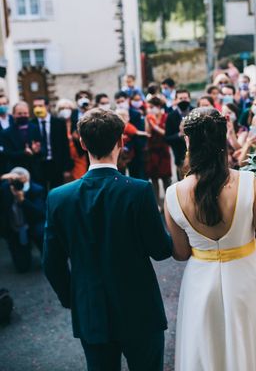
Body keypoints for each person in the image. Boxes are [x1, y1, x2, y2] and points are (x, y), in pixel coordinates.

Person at [43, 108, 173, 371]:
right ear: (121, 142)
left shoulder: (58, 196)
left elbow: (51, 262)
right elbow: (160, 250)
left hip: (91, 307)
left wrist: (72, 297)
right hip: (139, 307)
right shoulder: (138, 190)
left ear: (82, 143)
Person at [163, 107, 256, 370]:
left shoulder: (173, 194)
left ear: (188, 142)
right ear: (223, 141)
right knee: (254, 349)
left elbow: (180, 252)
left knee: (209, 353)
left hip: (201, 283)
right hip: (249, 279)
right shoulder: (247, 182)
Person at [0, 167, 45, 272]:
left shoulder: (36, 189)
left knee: (41, 231)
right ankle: (23, 252)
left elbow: (40, 213)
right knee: (22, 267)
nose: (17, 185)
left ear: (27, 180)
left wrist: (23, 201)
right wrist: (2, 177)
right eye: (14, 181)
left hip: (33, 226)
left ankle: (45, 253)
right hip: (14, 229)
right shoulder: (5, 188)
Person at [31, 97, 72, 190]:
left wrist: (67, 167)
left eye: (40, 106)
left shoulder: (58, 123)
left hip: (55, 163)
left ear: (47, 106)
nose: (37, 108)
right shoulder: (32, 123)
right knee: (42, 191)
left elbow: (65, 146)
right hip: (40, 163)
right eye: (35, 106)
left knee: (57, 190)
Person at [145, 97, 172, 209]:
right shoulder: (149, 117)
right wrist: (148, 122)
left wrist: (155, 126)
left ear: (158, 107)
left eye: (152, 107)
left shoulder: (166, 117)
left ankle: (169, 203)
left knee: (166, 178)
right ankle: (157, 204)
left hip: (163, 149)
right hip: (152, 150)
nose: (150, 109)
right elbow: (148, 133)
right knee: (154, 178)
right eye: (149, 107)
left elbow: (166, 133)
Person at [115, 91, 146, 179]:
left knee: (136, 175)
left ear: (127, 100)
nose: (121, 104)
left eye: (122, 101)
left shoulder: (136, 114)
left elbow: (139, 133)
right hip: (120, 153)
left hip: (135, 150)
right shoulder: (114, 114)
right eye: (118, 102)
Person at [2, 101, 40, 174]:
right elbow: (6, 154)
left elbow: (42, 147)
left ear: (28, 114)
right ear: (13, 115)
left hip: (35, 170)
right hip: (16, 170)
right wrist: (23, 153)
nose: (23, 115)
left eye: (25, 113)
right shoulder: (6, 133)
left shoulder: (35, 128)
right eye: (19, 113)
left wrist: (37, 150)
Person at [56, 99, 88, 181]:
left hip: (79, 155)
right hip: (64, 157)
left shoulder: (77, 122)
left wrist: (78, 138)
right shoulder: (57, 124)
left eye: (68, 108)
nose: (65, 110)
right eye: (62, 108)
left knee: (80, 179)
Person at [165, 89, 193, 179]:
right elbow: (167, 138)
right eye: (181, 98)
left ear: (189, 99)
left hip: (197, 156)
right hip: (180, 157)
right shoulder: (171, 116)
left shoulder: (195, 112)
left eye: (185, 98)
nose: (183, 100)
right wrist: (179, 135)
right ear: (176, 100)